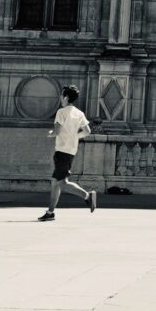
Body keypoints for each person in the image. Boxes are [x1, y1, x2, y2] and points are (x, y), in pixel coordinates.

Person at [41, 85, 98, 220]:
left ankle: (87, 196)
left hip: (61, 150)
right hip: (71, 150)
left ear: (66, 97)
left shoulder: (61, 112)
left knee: (60, 182)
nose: (60, 98)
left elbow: (56, 131)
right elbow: (87, 131)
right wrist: (75, 136)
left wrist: (50, 133)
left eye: (61, 96)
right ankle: (50, 212)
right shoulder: (79, 113)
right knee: (56, 182)